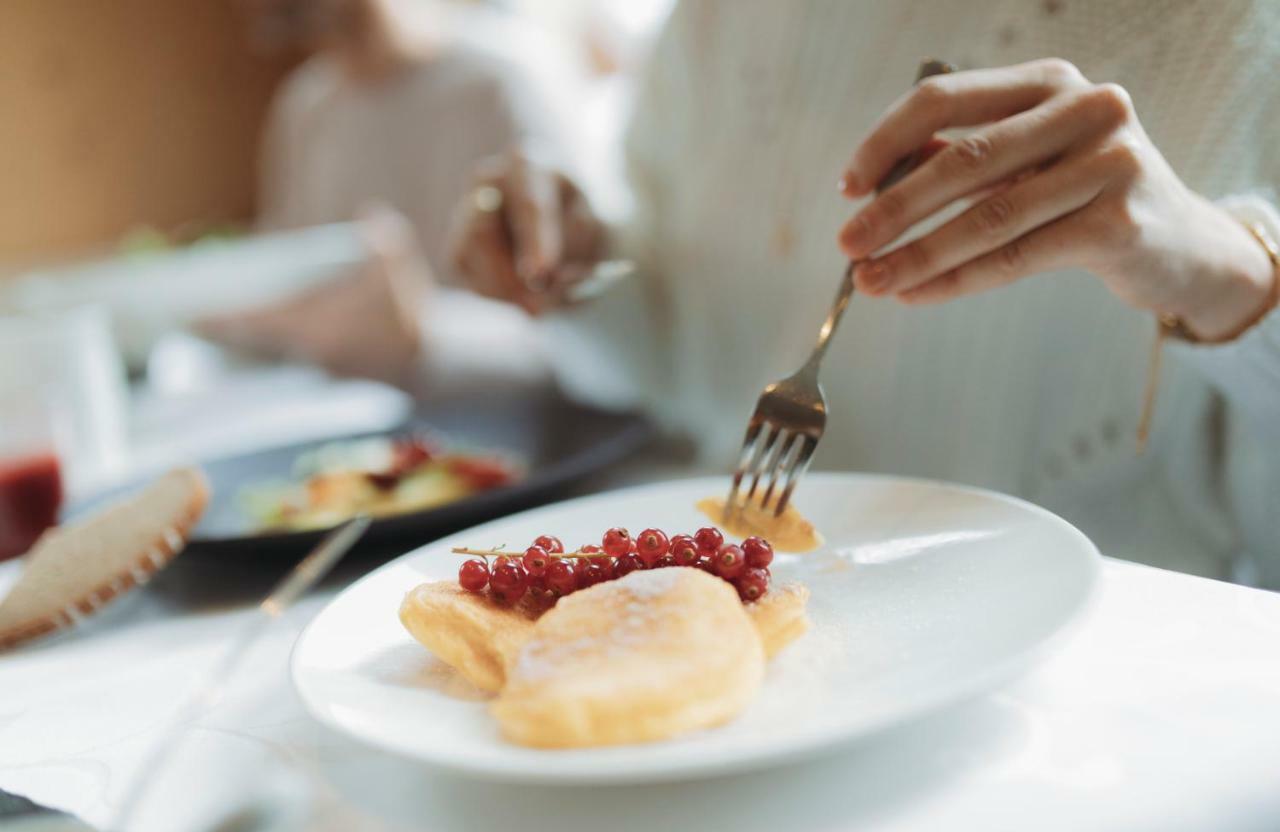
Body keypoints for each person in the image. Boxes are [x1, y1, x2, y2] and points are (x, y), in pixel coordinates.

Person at [448, 1, 1280, 584]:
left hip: (1095, 697)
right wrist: (574, 271)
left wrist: (1238, 285)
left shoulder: (1246, 40)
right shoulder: (714, 17)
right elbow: (672, 359)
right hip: (751, 640)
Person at [202, 0, 561, 387]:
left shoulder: (503, 80)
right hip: (347, 418)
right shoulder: (307, 105)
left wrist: (425, 336)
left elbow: (578, 339)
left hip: (502, 427)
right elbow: (283, 277)